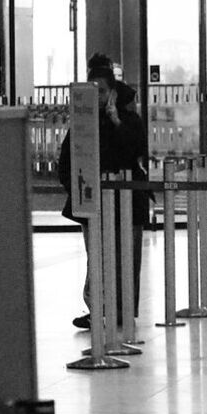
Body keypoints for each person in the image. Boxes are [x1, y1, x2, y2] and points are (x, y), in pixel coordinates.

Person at [57, 54, 149, 331]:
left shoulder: (129, 119)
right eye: (92, 90)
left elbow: (135, 150)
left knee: (126, 255)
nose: (97, 97)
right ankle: (98, 307)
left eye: (103, 91)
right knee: (96, 255)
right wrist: (75, 188)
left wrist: (115, 120)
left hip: (128, 201)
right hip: (92, 199)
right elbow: (68, 158)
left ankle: (122, 309)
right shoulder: (84, 124)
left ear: (112, 93)